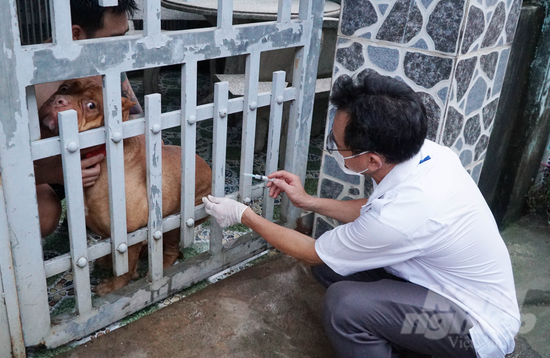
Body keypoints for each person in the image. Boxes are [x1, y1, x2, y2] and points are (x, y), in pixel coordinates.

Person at [203, 73, 520, 357]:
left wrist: (244, 215)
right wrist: (308, 201)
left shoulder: (403, 216)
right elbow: (375, 210)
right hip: (439, 289)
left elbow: (313, 252)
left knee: (346, 306)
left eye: (337, 145)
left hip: (474, 330)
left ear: (371, 161)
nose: (335, 148)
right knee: (332, 272)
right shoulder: (428, 155)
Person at [34, 0, 143, 237]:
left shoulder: (106, 67)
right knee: (44, 216)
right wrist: (56, 172)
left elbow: (137, 117)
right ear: (75, 34)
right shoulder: (32, 78)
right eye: (113, 39)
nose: (121, 50)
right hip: (44, 173)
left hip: (96, 168)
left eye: (124, 37)